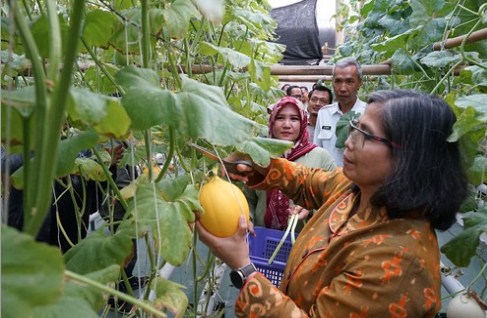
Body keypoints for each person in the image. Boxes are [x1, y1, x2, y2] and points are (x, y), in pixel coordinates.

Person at [197, 90, 469, 317]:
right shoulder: (360, 191)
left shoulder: (396, 264)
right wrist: (256, 165)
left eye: (366, 134)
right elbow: (308, 180)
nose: (348, 142)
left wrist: (244, 267)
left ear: (409, 157)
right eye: (354, 128)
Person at [245, 96, 336, 230]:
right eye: (280, 118)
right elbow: (249, 199)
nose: (287, 124)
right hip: (260, 239)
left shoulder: (321, 157)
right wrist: (248, 219)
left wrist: (310, 207)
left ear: (303, 122)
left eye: (294, 119)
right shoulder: (259, 156)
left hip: (303, 241)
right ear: (272, 122)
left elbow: (335, 201)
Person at [314, 57, 367, 166]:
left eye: (349, 81)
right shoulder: (324, 113)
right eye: (338, 81)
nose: (342, 88)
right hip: (328, 179)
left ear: (359, 83)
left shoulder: (369, 113)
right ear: (332, 82)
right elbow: (317, 152)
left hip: (357, 181)